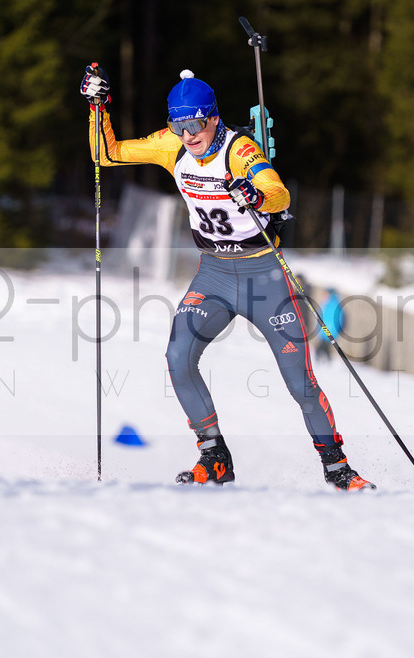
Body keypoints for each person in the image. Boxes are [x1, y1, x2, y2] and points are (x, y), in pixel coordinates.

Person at [80, 66, 375, 491]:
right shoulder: (171, 146)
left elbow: (278, 193)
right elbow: (105, 154)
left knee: (300, 382)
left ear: (214, 118)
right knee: (178, 358)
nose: (188, 135)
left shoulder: (239, 150)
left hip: (264, 276)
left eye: (195, 124)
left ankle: (337, 467)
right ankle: (214, 455)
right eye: (178, 126)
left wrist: (256, 194)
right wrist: (99, 107)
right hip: (214, 275)